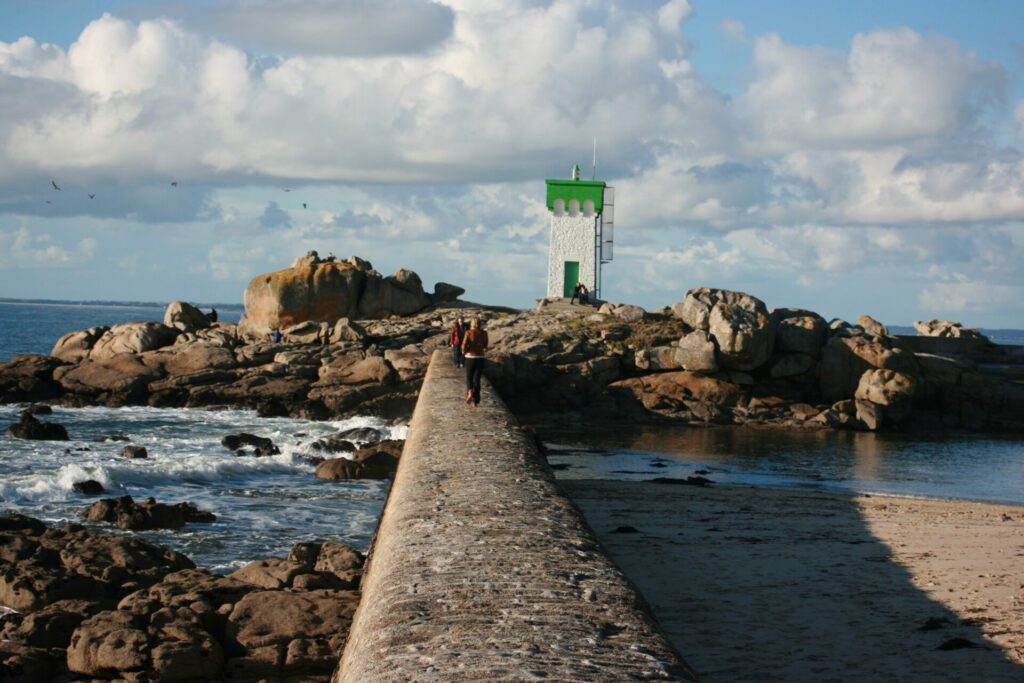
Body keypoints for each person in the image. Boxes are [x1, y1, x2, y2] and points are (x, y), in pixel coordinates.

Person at [461, 318, 488, 407]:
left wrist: (464, 352)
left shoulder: (468, 332)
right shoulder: (484, 333)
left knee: (469, 377)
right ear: (480, 324)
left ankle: (469, 393)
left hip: (470, 358)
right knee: (477, 379)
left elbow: (464, 345)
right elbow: (485, 345)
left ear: (472, 324)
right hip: (480, 358)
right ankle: (476, 401)